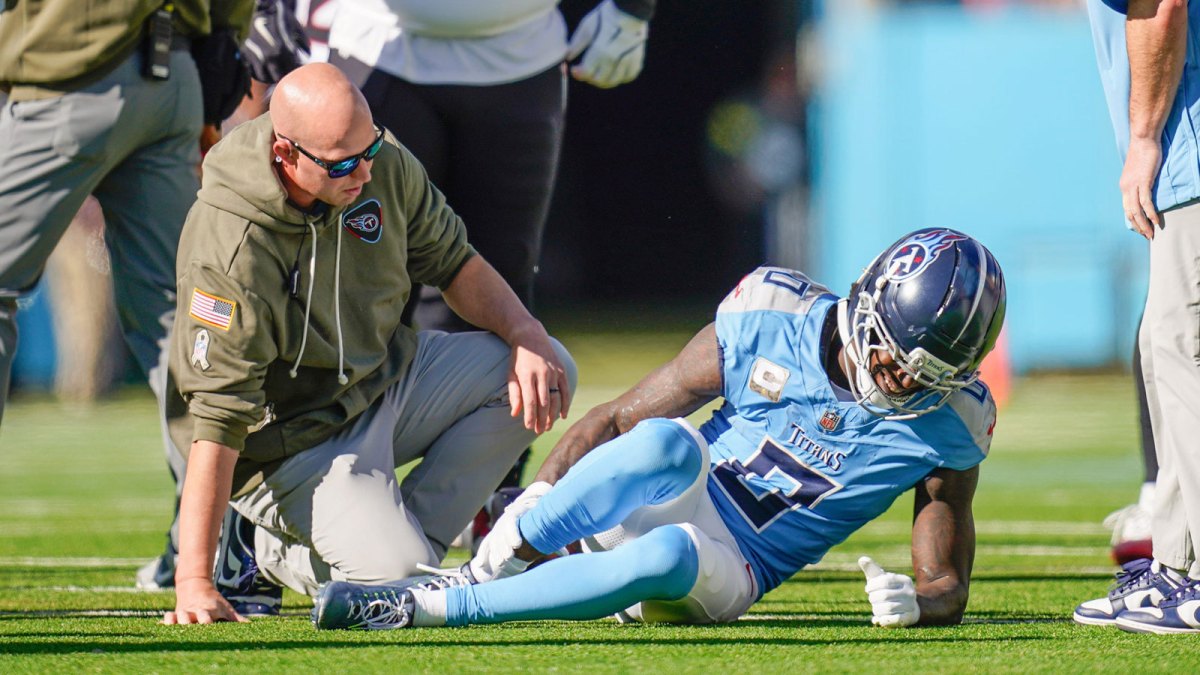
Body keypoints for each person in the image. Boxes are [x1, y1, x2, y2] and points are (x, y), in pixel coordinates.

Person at [310, 227, 1007, 631]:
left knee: (673, 551)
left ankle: (434, 606)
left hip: (726, 571)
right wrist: (540, 491)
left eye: (928, 378)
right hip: (649, 494)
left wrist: (920, 604)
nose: (902, 383)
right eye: (892, 359)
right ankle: (508, 550)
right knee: (667, 440)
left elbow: (947, 580)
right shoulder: (772, 316)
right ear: (867, 303)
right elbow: (617, 418)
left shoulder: (951, 424)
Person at [160, 63, 575, 625]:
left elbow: (455, 263)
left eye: (371, 146)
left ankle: (398, 549)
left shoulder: (375, 161)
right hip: (289, 441)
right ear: (285, 155)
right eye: (343, 163)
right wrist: (193, 582)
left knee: (548, 369)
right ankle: (266, 549)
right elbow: (217, 415)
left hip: (380, 381)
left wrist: (527, 333)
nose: (365, 171)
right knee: (399, 579)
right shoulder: (231, 239)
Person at [325, 0, 656, 521]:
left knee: (504, 289)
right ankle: (299, 490)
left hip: (521, 50)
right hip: (380, 46)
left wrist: (636, 9)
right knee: (357, 288)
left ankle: (487, 500)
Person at [0, 1, 254, 591]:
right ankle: (216, 542)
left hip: (65, 69)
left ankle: (212, 540)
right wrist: (223, 42)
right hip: (174, 77)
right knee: (186, 320)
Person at [1075, 0, 1200, 635]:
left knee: (1182, 353)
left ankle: (1196, 572)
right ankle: (1178, 565)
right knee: (1162, 346)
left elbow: (1160, 5)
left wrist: (1146, 138)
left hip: (1191, 155)